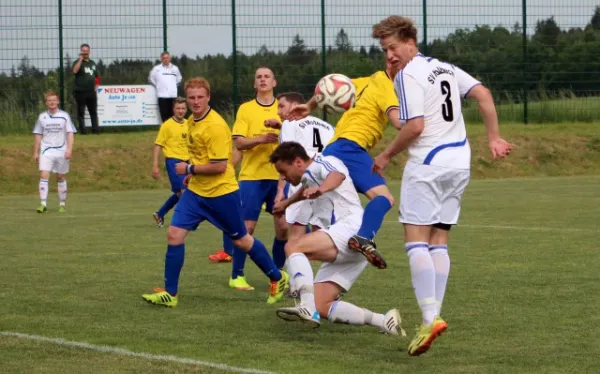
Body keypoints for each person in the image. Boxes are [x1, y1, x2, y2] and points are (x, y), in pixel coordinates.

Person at [370, 15, 513, 356]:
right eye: (384, 50)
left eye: (392, 48)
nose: (390, 56)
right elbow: (484, 94)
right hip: (459, 163)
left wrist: (387, 154)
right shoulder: (445, 67)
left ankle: (429, 317)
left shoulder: (408, 75)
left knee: (415, 240)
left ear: (409, 42)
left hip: (429, 164)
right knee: (439, 240)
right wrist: (493, 138)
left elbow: (415, 126)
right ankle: (433, 316)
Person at [141, 77, 289, 307]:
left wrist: (189, 168)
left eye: (200, 97)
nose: (196, 101)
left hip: (221, 194)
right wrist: (193, 174)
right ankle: (170, 294)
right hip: (196, 193)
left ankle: (277, 277)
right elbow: (201, 156)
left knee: (241, 240)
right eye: (191, 97)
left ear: (208, 97)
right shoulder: (192, 121)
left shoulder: (216, 126)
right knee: (174, 235)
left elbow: (221, 166)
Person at [269, 142, 404, 336]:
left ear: (298, 162)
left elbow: (337, 176)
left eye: (283, 170)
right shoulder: (310, 175)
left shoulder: (325, 161)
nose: (283, 177)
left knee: (294, 246)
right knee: (322, 304)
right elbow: (304, 188)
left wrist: (322, 190)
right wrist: (286, 203)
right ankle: (384, 321)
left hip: (351, 226)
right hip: (352, 242)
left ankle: (306, 307)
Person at [289, 62, 401, 270]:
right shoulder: (386, 85)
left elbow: (332, 86)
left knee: (334, 217)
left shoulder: (368, 81)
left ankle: (303, 273)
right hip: (350, 149)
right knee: (384, 197)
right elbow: (399, 123)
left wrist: (310, 105)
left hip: (333, 149)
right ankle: (363, 238)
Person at [208, 66, 287, 291]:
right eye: (258, 77)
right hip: (252, 177)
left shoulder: (282, 108)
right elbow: (239, 143)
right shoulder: (245, 109)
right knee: (246, 228)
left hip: (279, 177)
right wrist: (262, 138)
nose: (262, 80)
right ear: (254, 84)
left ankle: (278, 274)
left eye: (267, 77)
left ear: (274, 82)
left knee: (283, 227)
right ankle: (237, 275)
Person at [264, 92, 335, 242]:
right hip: (326, 181)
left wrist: (279, 191)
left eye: (282, 106)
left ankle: (286, 264)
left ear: (295, 106)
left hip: (302, 180)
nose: (278, 111)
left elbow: (287, 160)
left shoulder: (290, 124)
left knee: (290, 235)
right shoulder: (328, 127)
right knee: (321, 233)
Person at [32, 91, 76, 213]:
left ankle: (62, 204)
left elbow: (70, 133)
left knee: (60, 176)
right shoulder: (42, 117)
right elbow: (38, 135)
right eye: (49, 100)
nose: (51, 102)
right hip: (46, 150)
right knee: (44, 175)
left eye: (54, 100)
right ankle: (43, 204)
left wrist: (69, 149)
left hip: (61, 150)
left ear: (58, 102)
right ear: (46, 103)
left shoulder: (64, 116)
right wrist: (36, 152)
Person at [152, 97, 189, 227]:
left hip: (187, 163)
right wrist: (155, 166)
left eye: (183, 108)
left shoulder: (188, 124)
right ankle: (183, 221)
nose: (180, 111)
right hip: (173, 161)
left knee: (181, 193)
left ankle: (160, 213)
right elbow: (158, 145)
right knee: (184, 193)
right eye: (178, 108)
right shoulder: (167, 125)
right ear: (173, 109)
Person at [72, 43, 100, 135]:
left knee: (93, 112)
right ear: (81, 51)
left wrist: (96, 86)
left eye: (86, 51)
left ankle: (95, 131)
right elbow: (75, 71)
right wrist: (80, 60)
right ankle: (83, 131)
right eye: (83, 51)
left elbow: (97, 76)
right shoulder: (77, 62)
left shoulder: (93, 63)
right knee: (81, 112)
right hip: (80, 91)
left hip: (91, 91)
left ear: (89, 51)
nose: (85, 53)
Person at [148, 52, 183, 123]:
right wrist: (158, 86)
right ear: (161, 59)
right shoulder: (156, 69)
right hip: (162, 96)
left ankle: (174, 130)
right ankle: (165, 131)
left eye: (167, 58)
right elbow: (151, 79)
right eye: (164, 58)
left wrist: (172, 86)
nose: (165, 59)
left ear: (170, 58)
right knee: (164, 115)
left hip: (173, 96)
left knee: (173, 115)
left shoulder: (175, 68)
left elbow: (179, 79)